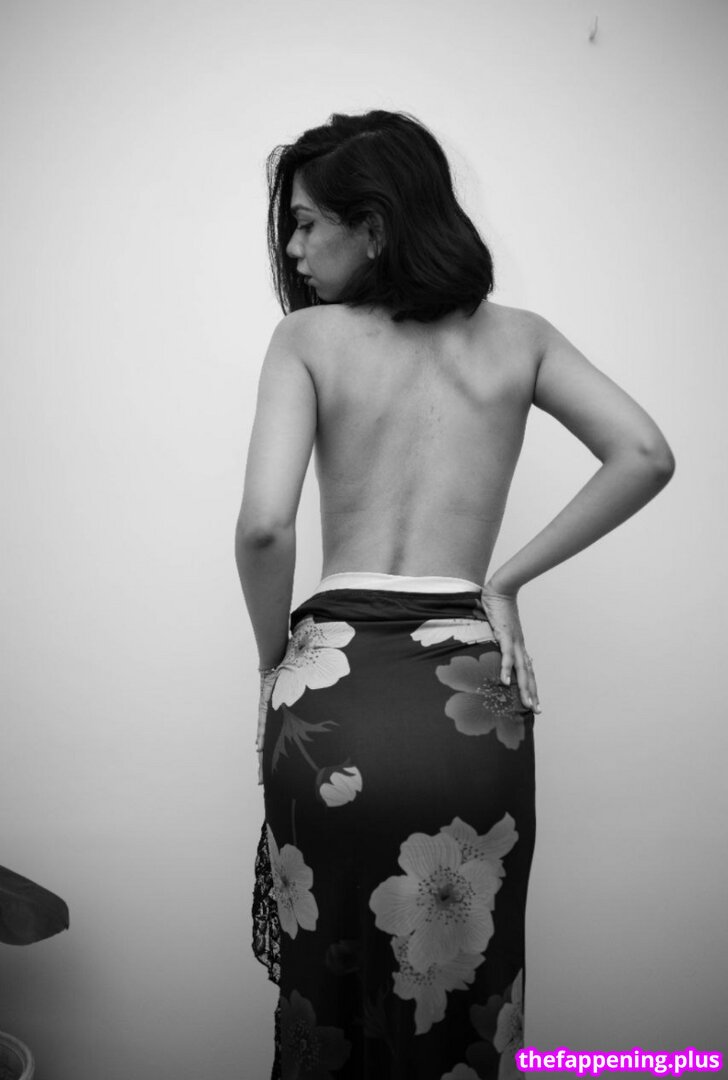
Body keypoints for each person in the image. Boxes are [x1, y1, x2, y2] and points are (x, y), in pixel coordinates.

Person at [235, 110, 675, 1080]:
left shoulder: (306, 340)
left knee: (325, 994)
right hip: (468, 699)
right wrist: (504, 581)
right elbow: (644, 453)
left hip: (333, 694)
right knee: (459, 992)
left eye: (305, 224)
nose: (293, 250)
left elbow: (265, 527)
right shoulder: (523, 340)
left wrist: (274, 661)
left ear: (373, 227)